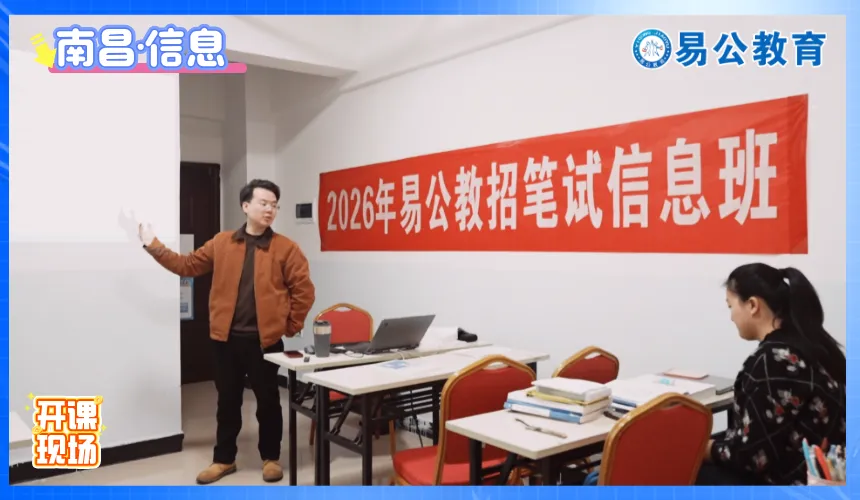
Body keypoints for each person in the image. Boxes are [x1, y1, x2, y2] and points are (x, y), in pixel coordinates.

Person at [139, 179, 316, 485]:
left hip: (265, 342)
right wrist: (153, 245)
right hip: (225, 340)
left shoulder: (286, 248)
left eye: (274, 205)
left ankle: (271, 458)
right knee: (227, 402)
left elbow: (304, 291)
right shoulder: (221, 243)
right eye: (263, 203)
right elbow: (186, 265)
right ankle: (224, 459)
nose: (270, 209)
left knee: (268, 403)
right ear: (245, 206)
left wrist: (289, 325)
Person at [696, 263, 845, 486]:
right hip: (825, 471)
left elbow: (753, 458)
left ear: (752, 305)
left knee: (684, 469)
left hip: (792, 483)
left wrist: (704, 449)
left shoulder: (773, 361)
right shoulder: (815, 345)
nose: (731, 317)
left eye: (731, 306)